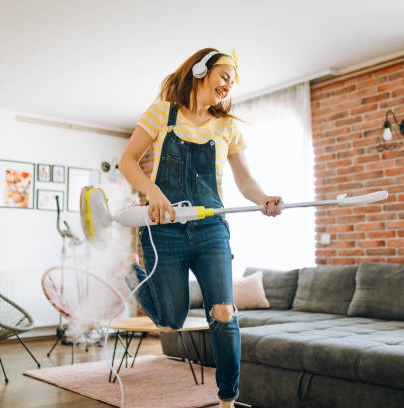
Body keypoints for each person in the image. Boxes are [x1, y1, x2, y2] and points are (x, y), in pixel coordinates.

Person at [119, 48, 282, 408]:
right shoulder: (163, 112)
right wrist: (153, 193)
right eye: (224, 76)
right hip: (165, 230)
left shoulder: (228, 126)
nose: (228, 85)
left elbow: (245, 179)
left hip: (211, 230)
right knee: (171, 320)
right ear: (200, 71)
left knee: (224, 312)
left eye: (232, 81)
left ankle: (227, 400)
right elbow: (127, 160)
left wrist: (263, 199)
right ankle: (133, 273)